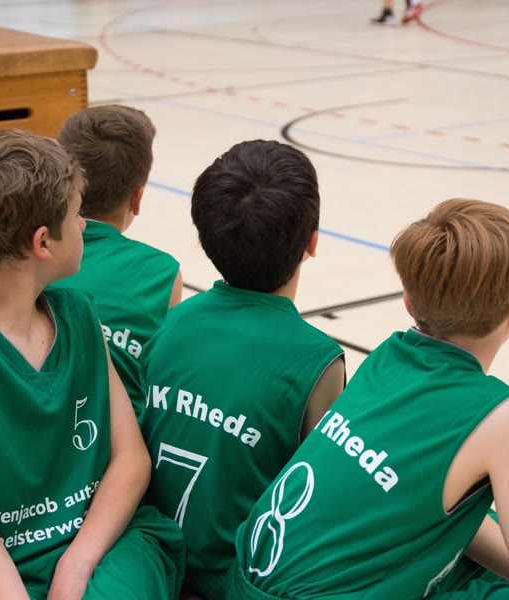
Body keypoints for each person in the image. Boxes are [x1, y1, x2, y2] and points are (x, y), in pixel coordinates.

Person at [228, 199, 509, 600]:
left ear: (409, 302)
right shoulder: (505, 414)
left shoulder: (387, 357)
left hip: (242, 582)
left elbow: (416, 505)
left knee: (471, 520)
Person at [0, 129, 184, 600]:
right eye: (76, 216)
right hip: (9, 566)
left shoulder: (79, 312)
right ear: (42, 242)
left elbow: (131, 459)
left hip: (111, 543)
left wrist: (76, 564)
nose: (84, 227)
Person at [140, 140, 346, 599]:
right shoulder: (318, 360)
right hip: (237, 582)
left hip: (152, 562)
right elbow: (321, 501)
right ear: (312, 242)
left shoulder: (173, 322)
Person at [51, 105, 182, 416]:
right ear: (137, 198)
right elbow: (162, 379)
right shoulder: (161, 272)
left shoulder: (29, 253)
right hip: (121, 437)